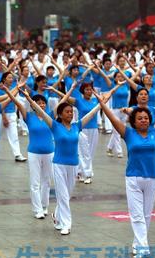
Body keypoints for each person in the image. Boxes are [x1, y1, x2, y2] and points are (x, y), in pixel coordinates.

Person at [94, 92, 155, 258]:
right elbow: (112, 118)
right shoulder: (128, 134)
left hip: (152, 177)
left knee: (147, 214)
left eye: (146, 118)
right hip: (133, 178)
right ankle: (143, 247)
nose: (144, 120)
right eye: (140, 118)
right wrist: (102, 103)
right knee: (136, 214)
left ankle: (137, 243)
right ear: (134, 122)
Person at [25, 86, 105, 235]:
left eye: (72, 112)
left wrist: (101, 104)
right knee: (62, 195)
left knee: (66, 195)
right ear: (60, 114)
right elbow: (41, 111)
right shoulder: (54, 126)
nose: (70, 114)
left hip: (74, 165)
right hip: (59, 164)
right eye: (67, 112)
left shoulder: (77, 126)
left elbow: (92, 113)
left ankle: (57, 215)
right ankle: (66, 224)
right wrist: (29, 99)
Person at [2, 86, 54, 219]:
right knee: (35, 182)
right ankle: (37, 210)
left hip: (49, 152)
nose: (41, 105)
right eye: (38, 103)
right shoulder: (29, 117)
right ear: (33, 105)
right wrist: (8, 91)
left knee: (47, 181)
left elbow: (64, 100)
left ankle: (44, 205)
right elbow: (17, 102)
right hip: (34, 153)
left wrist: (70, 89)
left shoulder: (51, 116)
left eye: (43, 103)